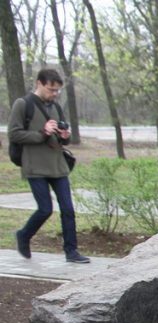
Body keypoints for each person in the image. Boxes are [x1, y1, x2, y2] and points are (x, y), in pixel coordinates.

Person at [9, 69, 89, 264]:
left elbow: (64, 137)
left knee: (68, 209)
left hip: (58, 166)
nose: (54, 94)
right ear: (39, 83)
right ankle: (24, 235)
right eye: (51, 89)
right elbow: (14, 134)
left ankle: (71, 251)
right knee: (45, 209)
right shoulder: (23, 104)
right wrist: (42, 133)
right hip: (35, 166)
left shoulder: (56, 107)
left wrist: (65, 136)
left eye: (57, 91)